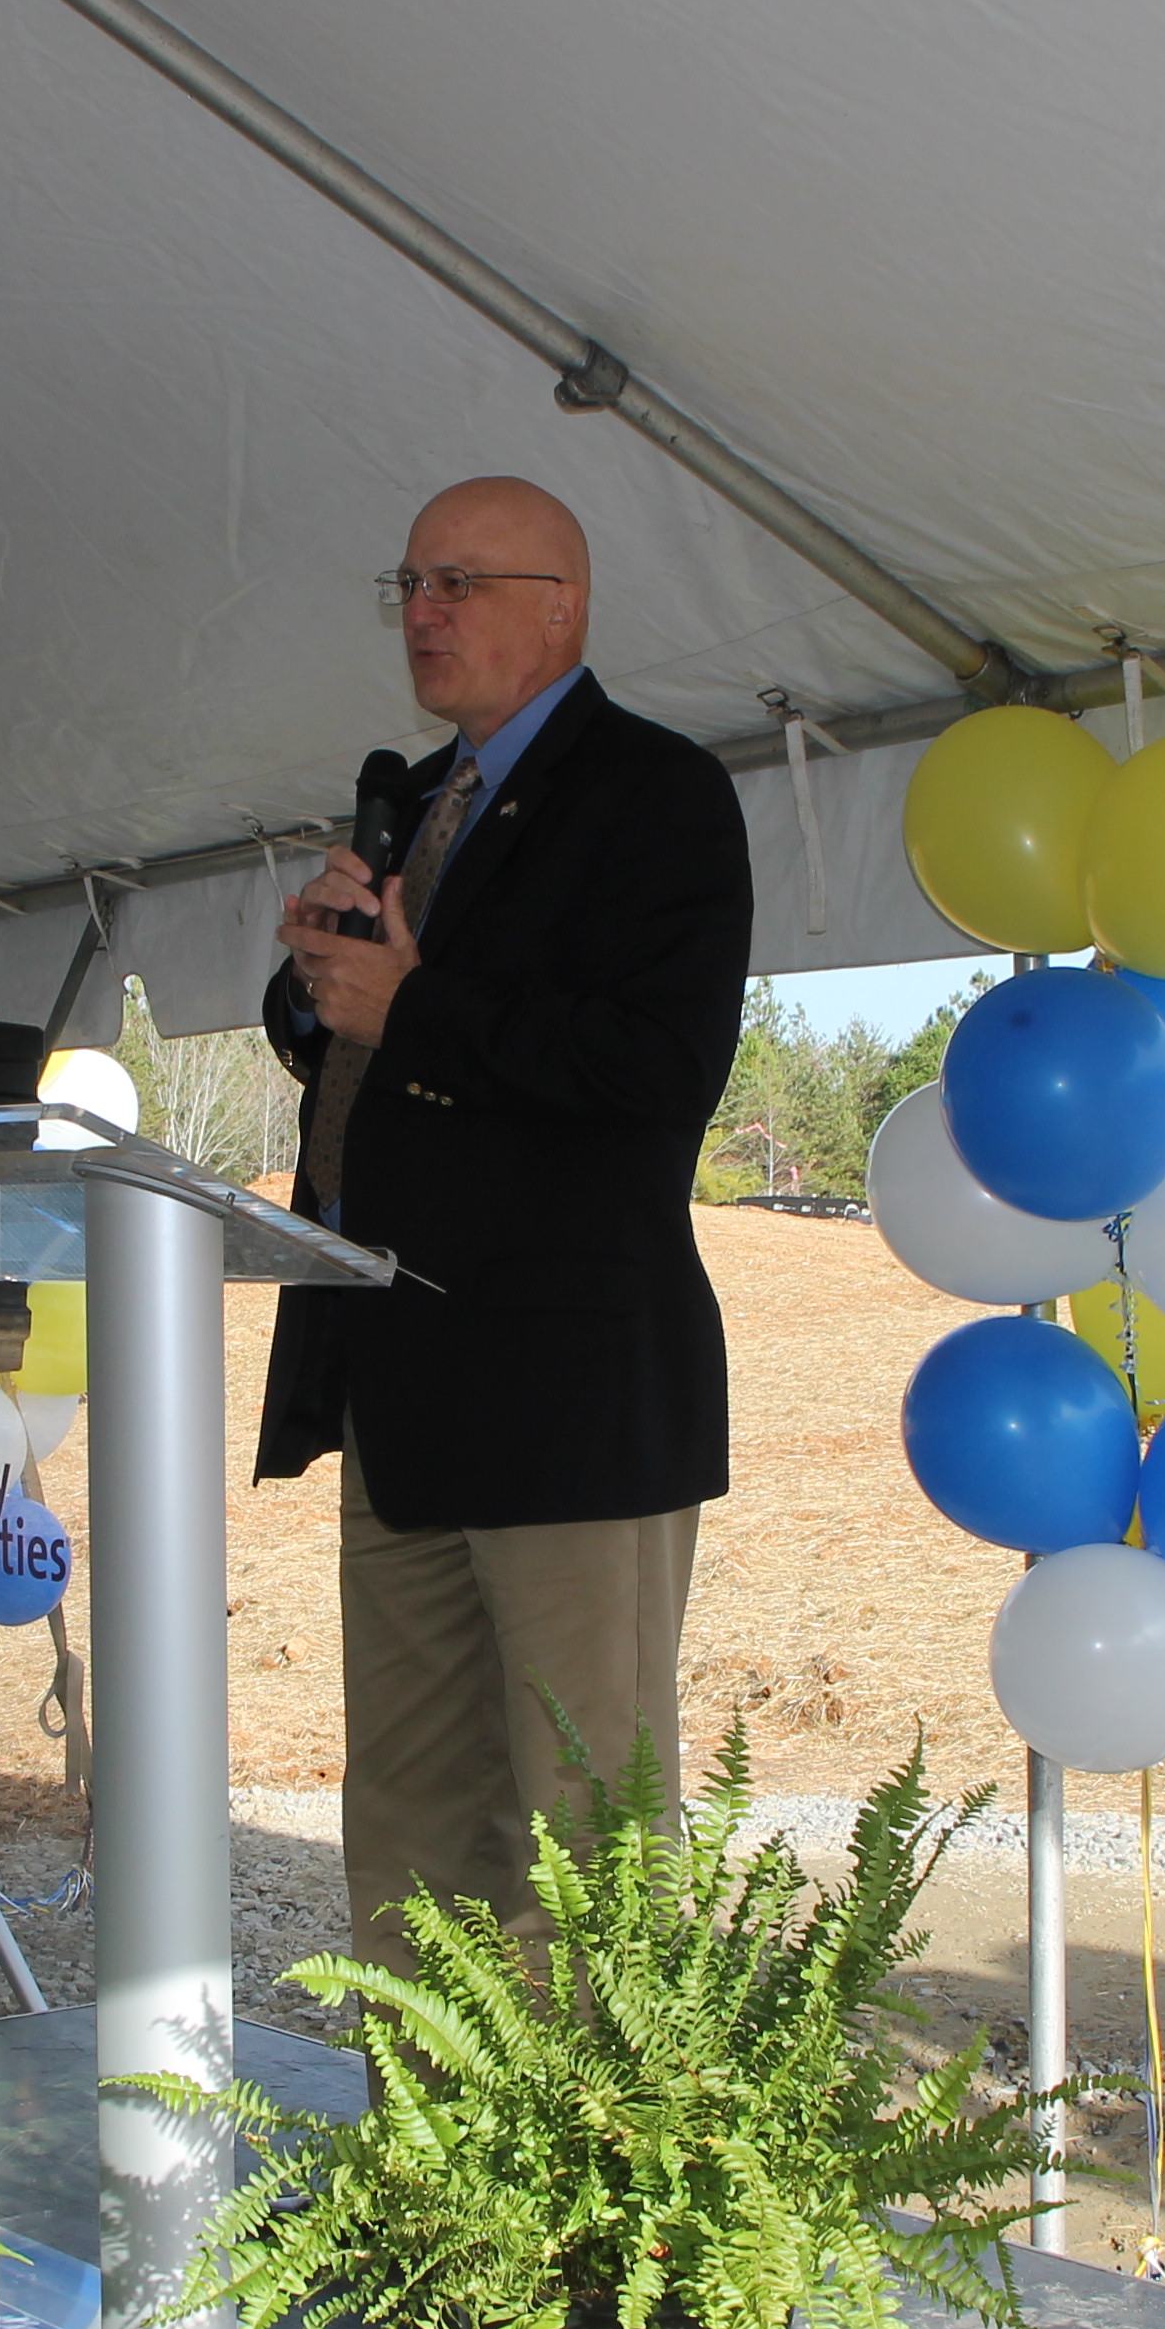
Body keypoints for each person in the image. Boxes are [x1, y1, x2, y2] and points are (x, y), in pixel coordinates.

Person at [262, 476, 754, 1971]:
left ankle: (587, 2197)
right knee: (409, 1823)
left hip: (569, 1392)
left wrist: (413, 1003)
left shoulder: (654, 795)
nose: (423, 611)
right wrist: (314, 987)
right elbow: (374, 1053)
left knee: (587, 1840)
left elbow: (656, 1070)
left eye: (461, 582)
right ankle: (429, 2184)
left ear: (565, 604)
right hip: (399, 1375)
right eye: (408, 582)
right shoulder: (416, 807)